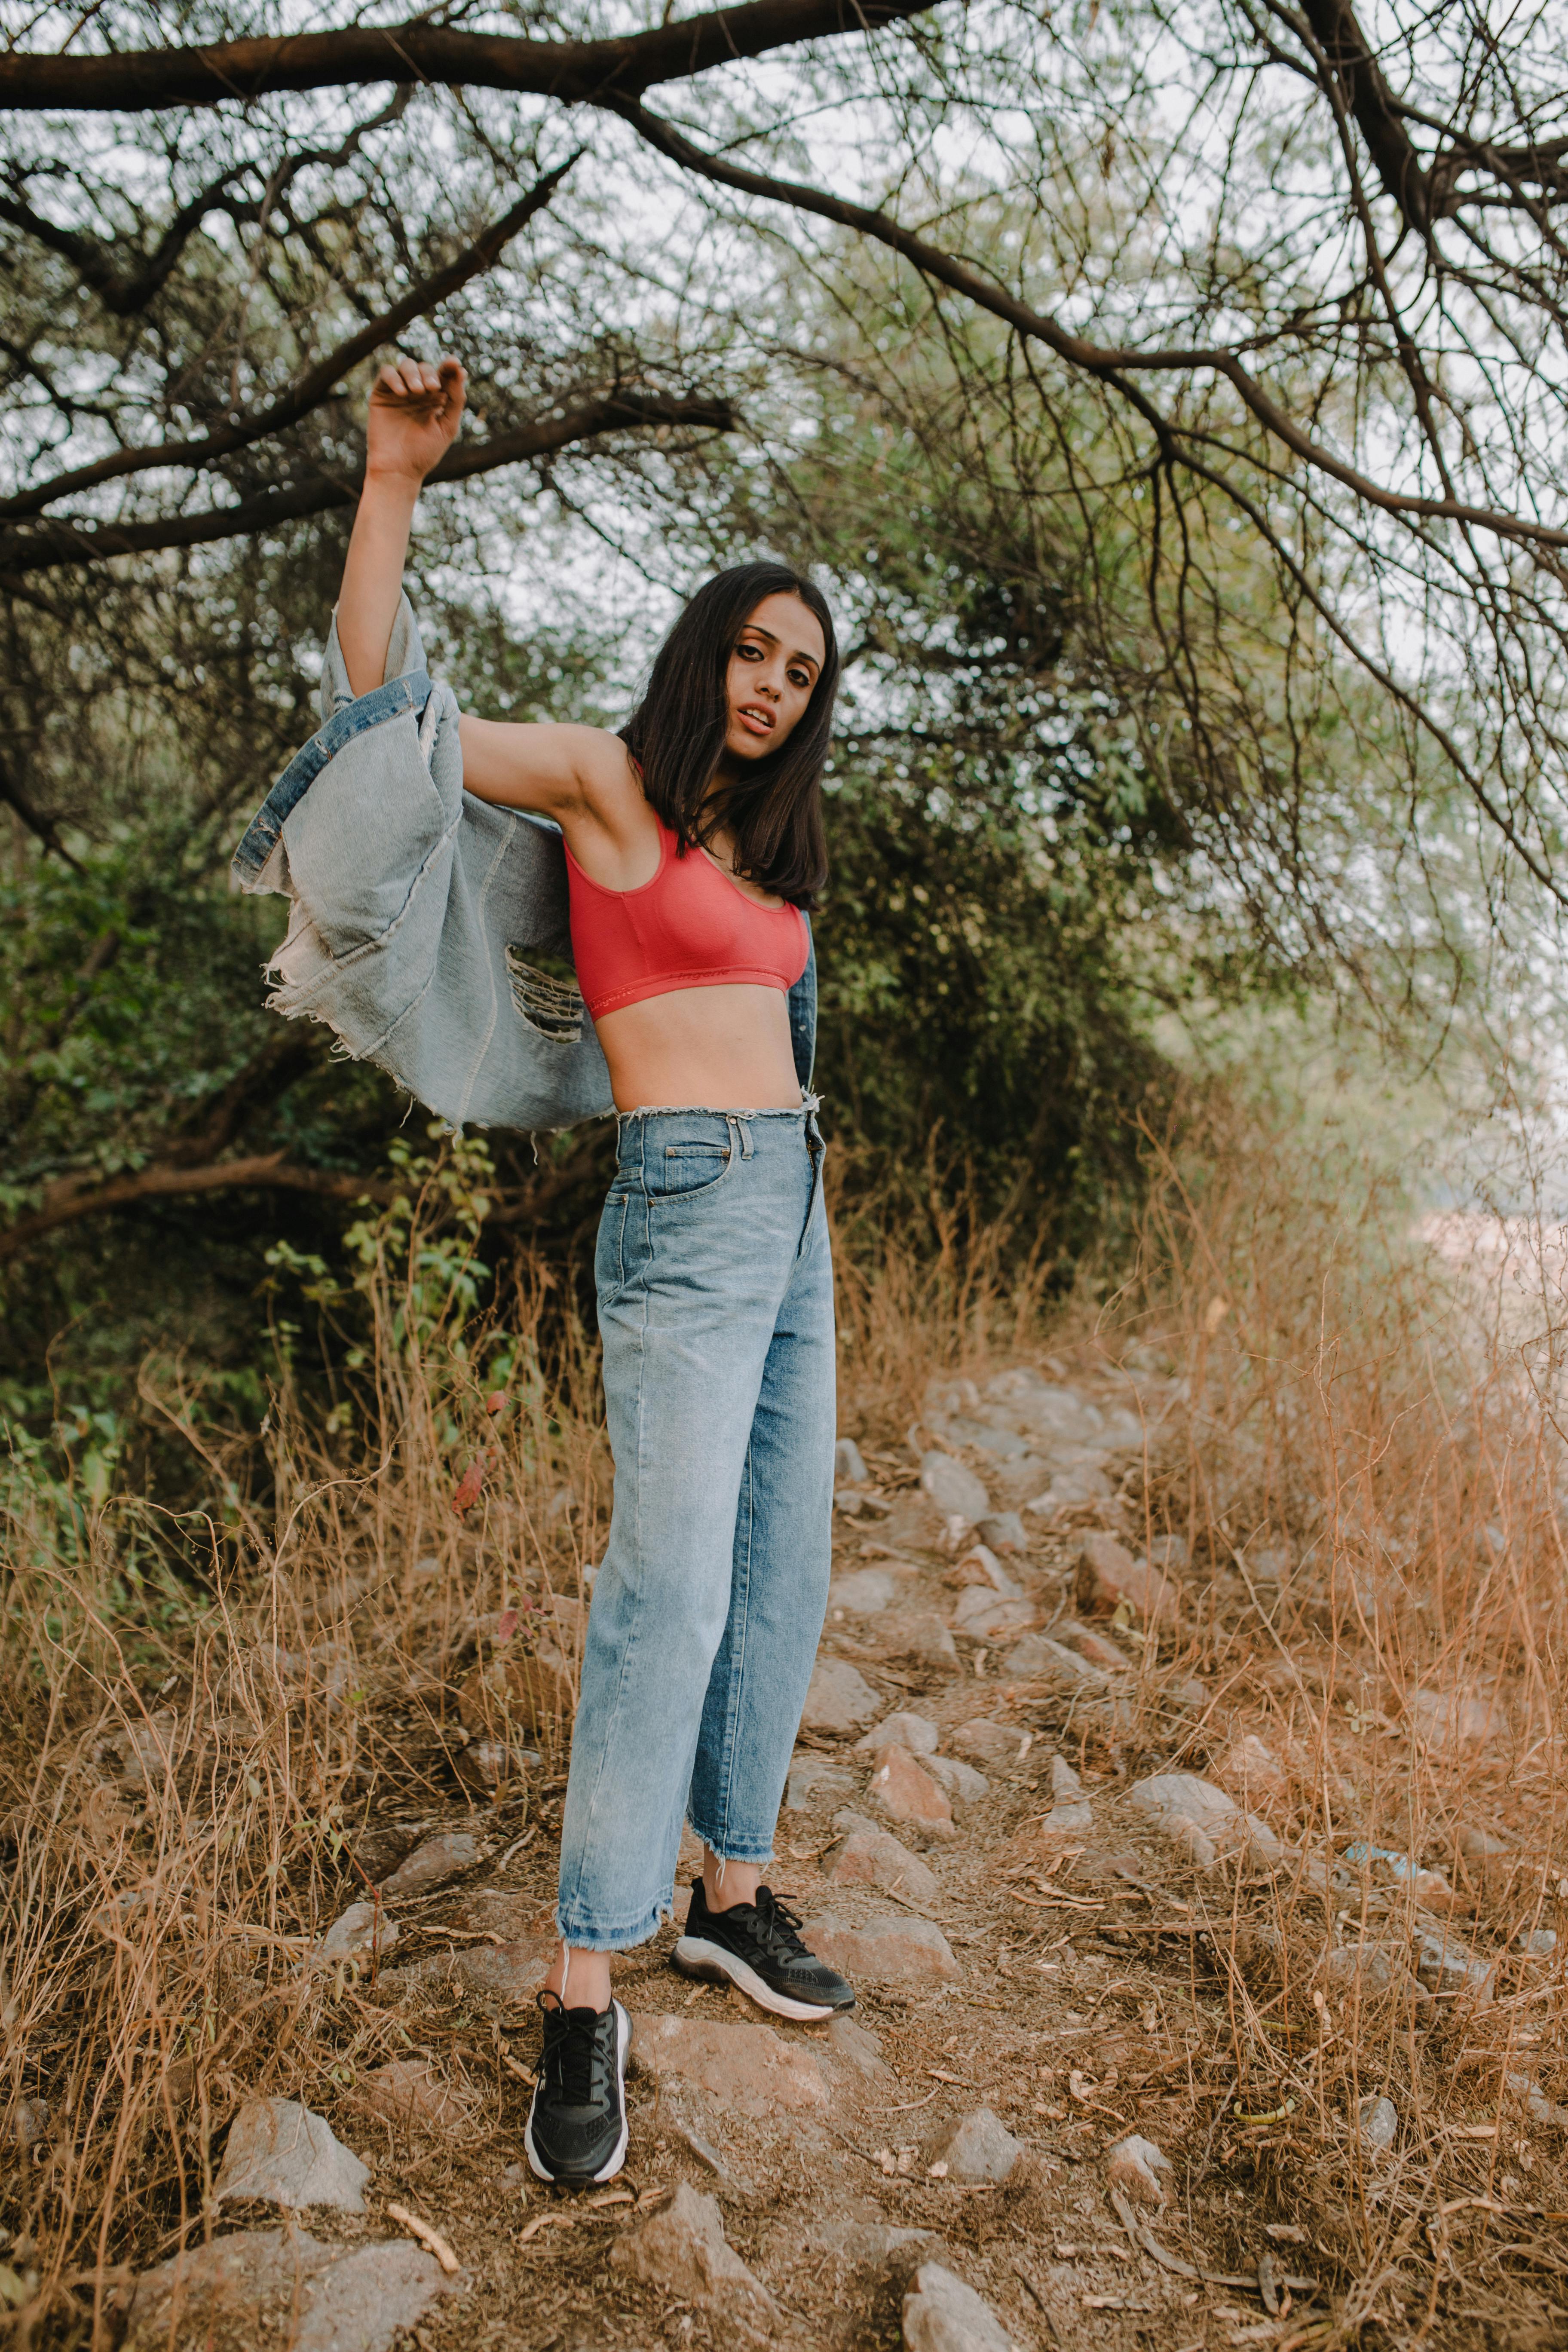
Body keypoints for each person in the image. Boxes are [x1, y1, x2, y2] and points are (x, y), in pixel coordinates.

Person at [335, 354, 855, 2189]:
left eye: (801, 672)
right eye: (755, 651)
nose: (773, 687)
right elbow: (386, 704)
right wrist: (396, 478)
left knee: (780, 1561)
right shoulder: (608, 788)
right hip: (689, 1203)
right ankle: (584, 1977)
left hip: (793, 1205)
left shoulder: (773, 849)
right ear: (705, 649)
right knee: (667, 1589)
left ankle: (736, 1885)